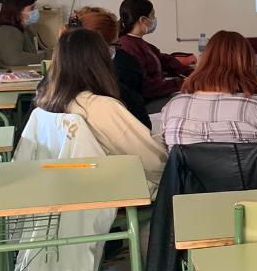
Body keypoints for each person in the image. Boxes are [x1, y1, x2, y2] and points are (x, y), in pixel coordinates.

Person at [35, 28, 167, 191]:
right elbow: (153, 162)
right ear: (101, 62)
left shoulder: (44, 102)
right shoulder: (102, 106)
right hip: (108, 193)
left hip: (59, 188)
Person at [160, 31, 257, 179]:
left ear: (204, 60)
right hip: (249, 198)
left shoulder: (173, 107)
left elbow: (168, 158)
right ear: (247, 64)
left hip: (187, 197)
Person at [64, 7, 151, 129]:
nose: (117, 50)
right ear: (101, 47)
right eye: (116, 44)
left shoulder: (49, 87)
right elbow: (143, 127)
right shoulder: (115, 87)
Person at [117, 0, 191, 109]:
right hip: (147, 102)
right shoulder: (128, 47)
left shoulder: (139, 42)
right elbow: (146, 87)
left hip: (156, 96)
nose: (154, 19)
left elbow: (164, 59)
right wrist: (180, 83)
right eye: (152, 15)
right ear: (142, 20)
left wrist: (192, 73)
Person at [0, 0, 51, 69]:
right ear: (18, 11)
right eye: (31, 8)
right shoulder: (9, 32)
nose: (35, 12)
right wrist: (49, 55)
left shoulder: (25, 31)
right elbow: (15, 60)